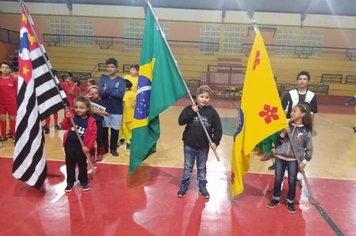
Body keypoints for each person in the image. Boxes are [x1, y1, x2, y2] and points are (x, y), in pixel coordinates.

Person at [177, 85, 222, 199]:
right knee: (188, 166)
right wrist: (192, 111)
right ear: (196, 97)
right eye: (201, 96)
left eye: (207, 97)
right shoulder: (189, 108)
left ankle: (202, 186)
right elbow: (181, 121)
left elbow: (218, 129)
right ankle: (184, 185)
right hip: (189, 145)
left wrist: (215, 141)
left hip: (203, 147)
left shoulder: (212, 112)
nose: (204, 99)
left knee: (201, 167)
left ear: (210, 99)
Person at [267, 103, 313, 214]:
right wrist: (282, 133)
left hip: (294, 160)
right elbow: (278, 141)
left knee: (292, 181)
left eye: (294, 111)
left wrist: (304, 162)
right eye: (291, 111)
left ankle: (290, 201)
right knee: (278, 178)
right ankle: (276, 198)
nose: (291, 113)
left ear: (302, 114)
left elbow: (309, 148)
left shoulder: (306, 131)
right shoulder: (286, 125)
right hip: (280, 157)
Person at [268, 71, 317, 170]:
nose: (302, 81)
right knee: (282, 143)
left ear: (308, 81)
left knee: (300, 145)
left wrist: (309, 128)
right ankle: (278, 162)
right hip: (289, 125)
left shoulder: (312, 96)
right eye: (300, 79)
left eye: (304, 79)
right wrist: (282, 125)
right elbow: (283, 110)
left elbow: (312, 113)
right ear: (297, 80)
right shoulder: (290, 94)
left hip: (302, 126)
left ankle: (298, 164)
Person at [61, 96, 97, 193]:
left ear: (87, 108)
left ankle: (83, 181)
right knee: (70, 164)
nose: (78, 110)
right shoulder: (72, 116)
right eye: (76, 107)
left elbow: (93, 135)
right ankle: (70, 182)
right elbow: (63, 127)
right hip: (70, 145)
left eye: (81, 108)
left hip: (82, 147)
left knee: (82, 165)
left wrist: (88, 147)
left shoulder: (91, 120)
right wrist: (66, 118)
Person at [98, 58, 126, 156]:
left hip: (117, 109)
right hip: (104, 108)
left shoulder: (121, 81)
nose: (110, 69)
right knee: (104, 130)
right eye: (108, 67)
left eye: (112, 67)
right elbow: (100, 92)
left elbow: (120, 94)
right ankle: (105, 148)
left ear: (117, 68)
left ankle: (113, 148)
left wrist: (107, 90)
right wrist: (114, 90)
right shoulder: (103, 79)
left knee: (115, 131)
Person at [86, 85, 109, 162]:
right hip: (88, 123)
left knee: (99, 139)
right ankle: (92, 154)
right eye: (92, 93)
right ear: (88, 93)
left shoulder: (102, 102)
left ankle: (100, 154)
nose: (94, 95)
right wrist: (86, 99)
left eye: (96, 93)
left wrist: (96, 111)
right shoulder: (86, 102)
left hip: (98, 122)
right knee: (90, 140)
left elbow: (107, 113)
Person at [0, 62, 17, 141]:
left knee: (13, 120)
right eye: (3, 67)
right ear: (0, 69)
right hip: (1, 103)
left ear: (10, 69)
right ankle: (3, 136)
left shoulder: (14, 80)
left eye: (7, 67)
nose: (5, 69)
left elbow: (18, 92)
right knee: (2, 120)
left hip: (12, 103)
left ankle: (14, 135)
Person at [121, 79, 136, 149]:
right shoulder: (120, 93)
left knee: (130, 128)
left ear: (127, 87)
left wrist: (134, 104)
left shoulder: (133, 94)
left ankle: (129, 138)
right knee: (123, 127)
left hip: (130, 113)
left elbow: (137, 100)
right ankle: (128, 141)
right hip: (122, 113)